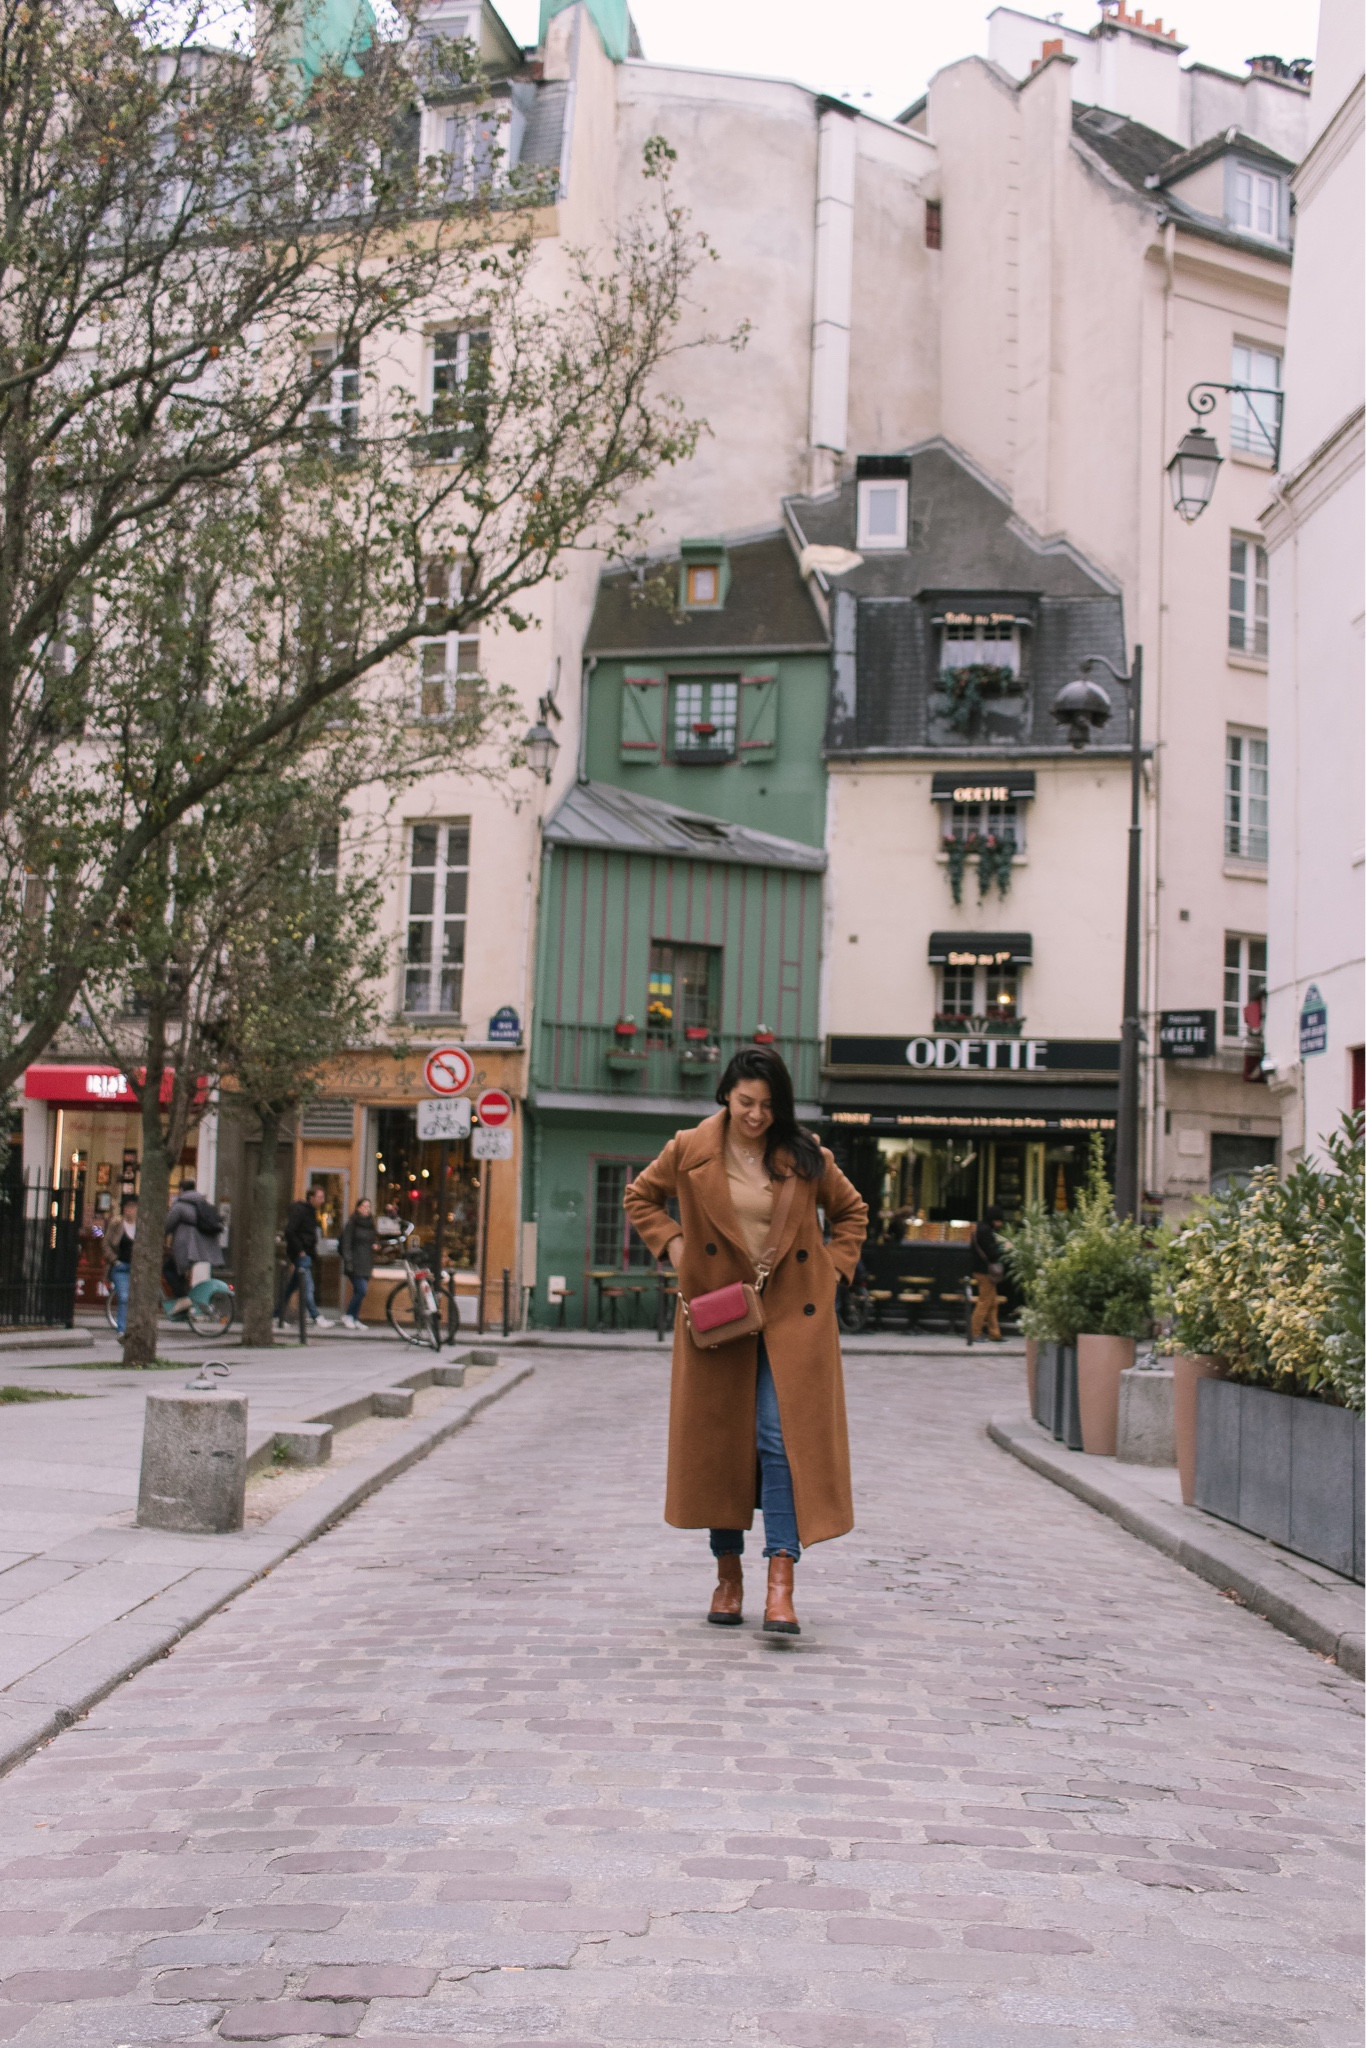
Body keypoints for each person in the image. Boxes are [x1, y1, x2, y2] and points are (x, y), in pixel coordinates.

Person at [624, 1046, 867, 1636]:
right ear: (726, 1097)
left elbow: (852, 1212)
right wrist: (677, 1248)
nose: (756, 1115)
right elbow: (640, 1197)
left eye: (767, 1104)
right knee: (723, 1445)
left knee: (777, 1438)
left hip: (792, 1317)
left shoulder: (805, 1155)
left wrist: (831, 1272)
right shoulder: (689, 1150)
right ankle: (727, 1577)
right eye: (745, 1102)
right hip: (721, 1314)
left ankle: (780, 1581)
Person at [276, 1184, 333, 1329]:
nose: (322, 1200)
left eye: (323, 1197)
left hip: (305, 1253)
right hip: (302, 1254)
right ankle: (316, 1316)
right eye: (319, 1197)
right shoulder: (301, 1211)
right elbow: (290, 1231)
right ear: (311, 1197)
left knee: (291, 1287)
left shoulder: (311, 1212)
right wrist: (300, 1250)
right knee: (308, 1286)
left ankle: (276, 1315)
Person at [164, 1178, 223, 1318]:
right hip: (198, 1248)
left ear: (181, 1190)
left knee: (167, 1269)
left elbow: (167, 1225)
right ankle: (183, 1312)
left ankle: (183, 1300)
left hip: (185, 1247)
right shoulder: (201, 1202)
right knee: (180, 1274)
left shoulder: (180, 1205)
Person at [970, 1205, 1010, 1342]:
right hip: (984, 1271)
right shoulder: (986, 1231)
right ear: (994, 1219)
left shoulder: (980, 1228)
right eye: (999, 1220)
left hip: (980, 1269)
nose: (1001, 1223)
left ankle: (994, 1333)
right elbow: (992, 1253)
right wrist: (1004, 1247)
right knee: (985, 1302)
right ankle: (975, 1332)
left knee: (992, 1302)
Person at [103, 1194, 137, 1337]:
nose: (130, 1210)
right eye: (127, 1207)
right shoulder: (117, 1224)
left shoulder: (141, 1226)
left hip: (137, 1268)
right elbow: (106, 1243)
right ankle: (121, 1330)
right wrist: (114, 1259)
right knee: (123, 1296)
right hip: (121, 1267)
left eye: (133, 1207)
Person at [339, 1198, 376, 1330]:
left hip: (366, 1262)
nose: (367, 1209)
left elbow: (372, 1240)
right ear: (358, 1208)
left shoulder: (370, 1224)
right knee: (361, 1289)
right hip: (355, 1262)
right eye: (364, 1206)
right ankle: (348, 1315)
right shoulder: (352, 1224)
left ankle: (354, 1317)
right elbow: (346, 1243)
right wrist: (348, 1261)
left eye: (368, 1207)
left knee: (359, 1291)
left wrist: (374, 1245)